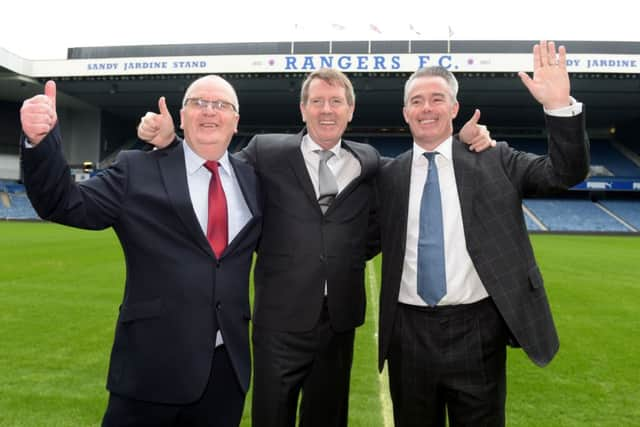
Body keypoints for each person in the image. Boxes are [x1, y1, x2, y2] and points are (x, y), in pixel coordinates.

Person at [137, 68, 494, 426]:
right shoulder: (266, 151)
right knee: (271, 417)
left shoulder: (368, 161)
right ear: (302, 108)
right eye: (318, 101)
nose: (327, 110)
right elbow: (217, 171)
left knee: (326, 418)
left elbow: (413, 173)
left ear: (350, 110)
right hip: (278, 323)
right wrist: (171, 143)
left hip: (338, 325)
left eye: (336, 102)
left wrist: (460, 144)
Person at [20, 75, 262, 426]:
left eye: (221, 105)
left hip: (226, 373)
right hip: (150, 368)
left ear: (236, 120)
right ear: (182, 115)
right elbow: (64, 202)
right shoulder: (137, 169)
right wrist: (40, 142)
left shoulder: (254, 179)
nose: (210, 112)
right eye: (199, 103)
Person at [374, 41, 590, 426]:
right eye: (418, 101)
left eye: (437, 99)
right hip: (406, 334)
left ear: (454, 108)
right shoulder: (388, 175)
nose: (427, 108)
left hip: (477, 331)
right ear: (405, 112)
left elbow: (564, 173)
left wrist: (559, 106)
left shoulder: (496, 159)